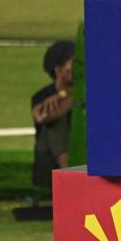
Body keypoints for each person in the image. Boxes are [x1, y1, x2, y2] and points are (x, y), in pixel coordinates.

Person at [31, 40, 75, 205]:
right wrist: (65, 95)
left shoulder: (84, 91)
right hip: (49, 162)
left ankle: (72, 177)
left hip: (80, 156)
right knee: (54, 124)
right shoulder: (42, 96)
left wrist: (65, 94)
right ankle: (71, 177)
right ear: (59, 69)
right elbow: (42, 116)